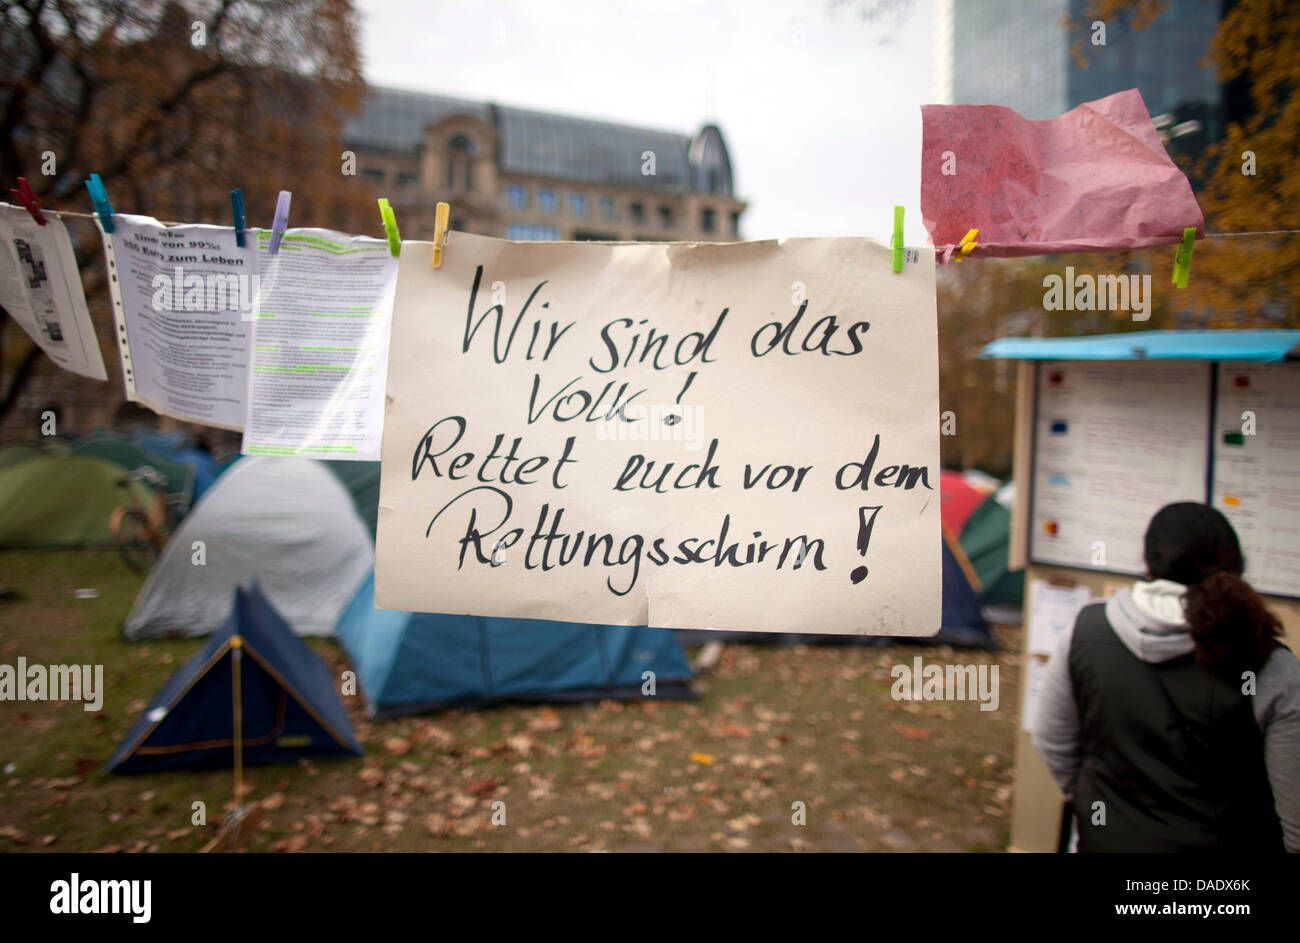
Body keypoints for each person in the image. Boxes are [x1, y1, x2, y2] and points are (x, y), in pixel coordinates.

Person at [1032, 502, 1300, 852]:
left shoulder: (1085, 632)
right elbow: (1294, 819)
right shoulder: (1271, 665)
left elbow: (1051, 740)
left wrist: (1102, 801)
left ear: (1147, 564)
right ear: (1235, 567)